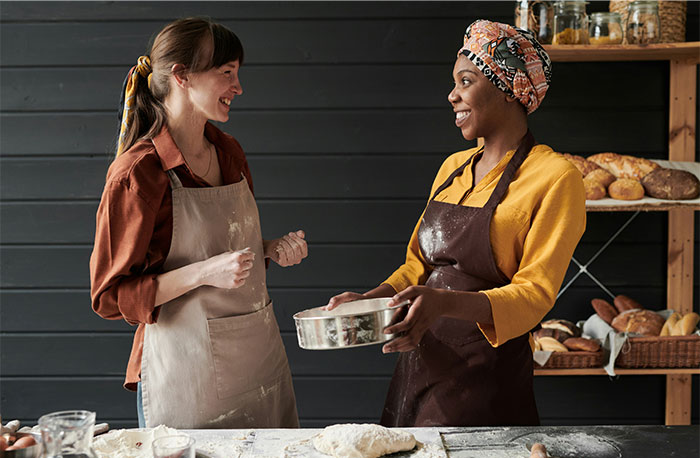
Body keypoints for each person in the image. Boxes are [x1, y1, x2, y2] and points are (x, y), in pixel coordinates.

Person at [327, 20, 586, 427]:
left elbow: (535, 296)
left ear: (509, 89)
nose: (452, 95)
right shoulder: (453, 167)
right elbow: (418, 266)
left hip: (488, 377)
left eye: (465, 81)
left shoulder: (555, 177)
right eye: (454, 83)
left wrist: (444, 304)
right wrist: (371, 299)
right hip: (422, 362)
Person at [90, 17, 307, 429]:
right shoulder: (138, 173)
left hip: (260, 365)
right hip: (186, 379)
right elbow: (109, 296)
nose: (238, 87)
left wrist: (268, 247)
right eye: (227, 73)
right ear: (182, 76)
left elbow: (223, 244)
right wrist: (204, 273)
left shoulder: (229, 152)